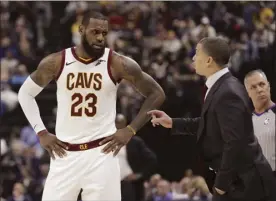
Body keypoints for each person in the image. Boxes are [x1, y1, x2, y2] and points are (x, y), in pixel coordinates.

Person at [18, 11, 165, 201]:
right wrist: (41, 132)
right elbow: (25, 93)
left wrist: (130, 130)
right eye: (95, 32)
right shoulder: (56, 62)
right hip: (65, 155)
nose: (100, 38)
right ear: (81, 30)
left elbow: (156, 93)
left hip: (101, 155)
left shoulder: (117, 63)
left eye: (104, 33)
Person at [148, 37, 276, 201]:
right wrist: (173, 122)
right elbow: (210, 124)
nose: (193, 58)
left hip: (246, 184)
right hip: (240, 180)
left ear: (209, 60)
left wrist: (221, 185)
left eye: (197, 53)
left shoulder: (228, 91)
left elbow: (234, 142)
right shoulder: (221, 86)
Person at [116, 114, 157, 201]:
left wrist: (139, 175)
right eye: (116, 123)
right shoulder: (106, 141)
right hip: (111, 183)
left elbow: (152, 159)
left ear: (125, 124)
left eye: (120, 123)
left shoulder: (135, 142)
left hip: (128, 184)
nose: (118, 125)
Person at [244, 69, 276, 175]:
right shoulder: (245, 122)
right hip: (255, 183)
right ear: (247, 93)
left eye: (262, 84)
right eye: (253, 87)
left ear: (268, 85)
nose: (259, 90)